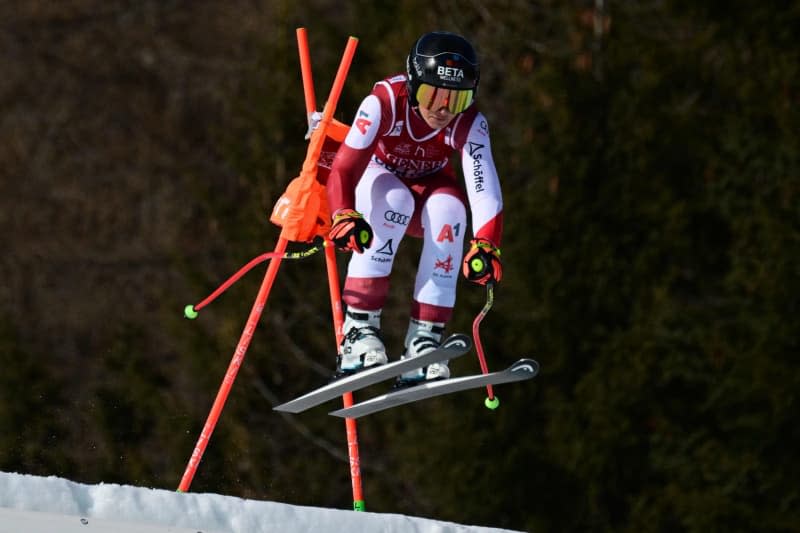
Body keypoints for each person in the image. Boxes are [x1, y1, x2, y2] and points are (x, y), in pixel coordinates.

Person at [326, 31, 503, 385]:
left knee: (451, 212)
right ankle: (360, 329)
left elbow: (484, 190)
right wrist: (343, 213)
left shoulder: (468, 122)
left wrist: (486, 243)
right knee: (395, 200)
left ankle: (424, 340)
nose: (442, 109)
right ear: (412, 84)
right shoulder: (385, 102)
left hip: (430, 182)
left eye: (457, 99)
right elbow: (343, 169)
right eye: (431, 94)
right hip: (377, 179)